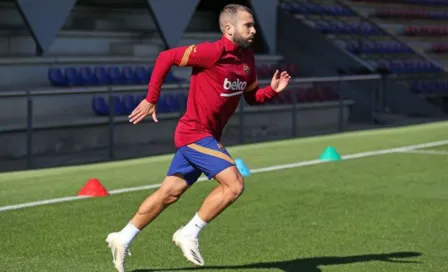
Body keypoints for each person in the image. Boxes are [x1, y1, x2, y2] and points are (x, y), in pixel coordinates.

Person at [106, 3, 291, 272]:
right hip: (194, 134)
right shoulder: (212, 52)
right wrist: (151, 98)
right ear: (228, 29)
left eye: (253, 25)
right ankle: (188, 233)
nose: (254, 30)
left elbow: (251, 98)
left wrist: (272, 91)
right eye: (247, 25)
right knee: (234, 184)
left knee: (168, 194)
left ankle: (123, 237)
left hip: (206, 137)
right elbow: (166, 57)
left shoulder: (247, 60)